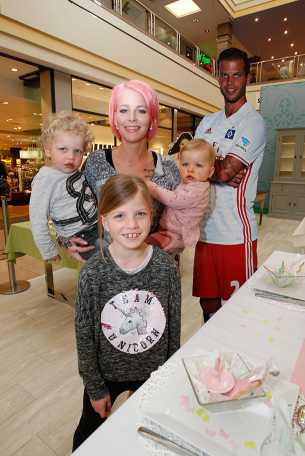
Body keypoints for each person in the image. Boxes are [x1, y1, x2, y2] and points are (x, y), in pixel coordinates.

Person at [72, 174, 181, 450]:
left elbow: (173, 327)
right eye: (119, 215)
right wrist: (95, 387)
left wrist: (168, 375)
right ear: (104, 221)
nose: (131, 225)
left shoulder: (167, 268)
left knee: (149, 433)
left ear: (152, 216)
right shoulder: (92, 274)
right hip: (106, 374)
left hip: (153, 372)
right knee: (88, 435)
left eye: (140, 214)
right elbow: (84, 336)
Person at [67, 80, 180, 261]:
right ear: (115, 118)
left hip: (155, 266)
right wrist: (68, 239)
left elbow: (183, 218)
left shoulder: (168, 168)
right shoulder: (97, 162)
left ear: (151, 119)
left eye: (141, 111)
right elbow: (73, 206)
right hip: (105, 266)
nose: (132, 118)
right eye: (124, 110)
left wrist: (174, 239)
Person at [193, 47, 266, 322]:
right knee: (208, 308)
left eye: (236, 76)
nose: (230, 82)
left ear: (247, 77)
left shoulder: (254, 122)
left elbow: (224, 171)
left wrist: (210, 167)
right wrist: (217, 168)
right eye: (224, 76)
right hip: (205, 236)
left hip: (236, 236)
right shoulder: (207, 122)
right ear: (218, 78)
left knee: (239, 313)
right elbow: (195, 167)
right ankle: (213, 363)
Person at [29, 111, 98, 261]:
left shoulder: (75, 172)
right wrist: (49, 251)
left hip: (98, 225)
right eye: (63, 149)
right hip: (81, 236)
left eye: (77, 151)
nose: (71, 156)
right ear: (48, 150)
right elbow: (38, 220)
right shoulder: (45, 179)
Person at [146, 139, 215, 251]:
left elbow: (174, 200)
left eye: (198, 165)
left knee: (147, 248)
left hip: (177, 234)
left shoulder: (197, 190)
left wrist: (152, 188)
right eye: (185, 164)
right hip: (169, 230)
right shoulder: (191, 183)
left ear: (210, 172)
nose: (190, 169)